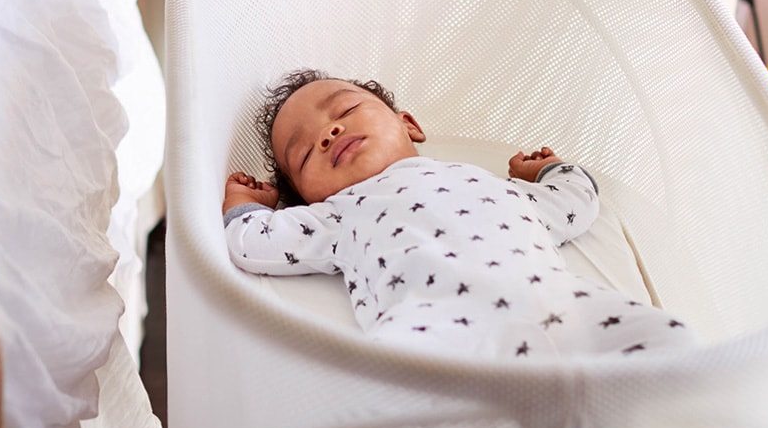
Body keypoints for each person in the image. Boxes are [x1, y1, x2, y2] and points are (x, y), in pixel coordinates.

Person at [224, 70, 697, 359]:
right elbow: (253, 243)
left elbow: (575, 201)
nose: (329, 133)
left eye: (345, 109)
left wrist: (549, 169)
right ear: (307, 198)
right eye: (305, 153)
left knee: (668, 339)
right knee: (392, 390)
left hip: (557, 307)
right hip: (436, 327)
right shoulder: (338, 215)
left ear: (408, 123)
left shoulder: (494, 185)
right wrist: (247, 206)